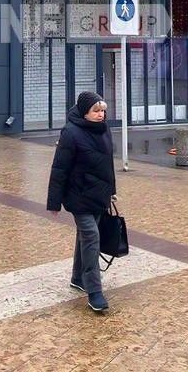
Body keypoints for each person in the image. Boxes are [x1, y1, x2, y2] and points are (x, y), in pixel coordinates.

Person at [46, 91, 117, 314]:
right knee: (91, 236)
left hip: (99, 195)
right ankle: (95, 291)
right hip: (78, 195)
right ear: (85, 111)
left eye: (103, 111)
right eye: (96, 111)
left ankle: (78, 278)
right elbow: (59, 168)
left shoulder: (104, 129)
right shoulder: (71, 132)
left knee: (86, 236)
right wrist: (54, 202)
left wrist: (111, 191)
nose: (101, 115)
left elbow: (107, 164)